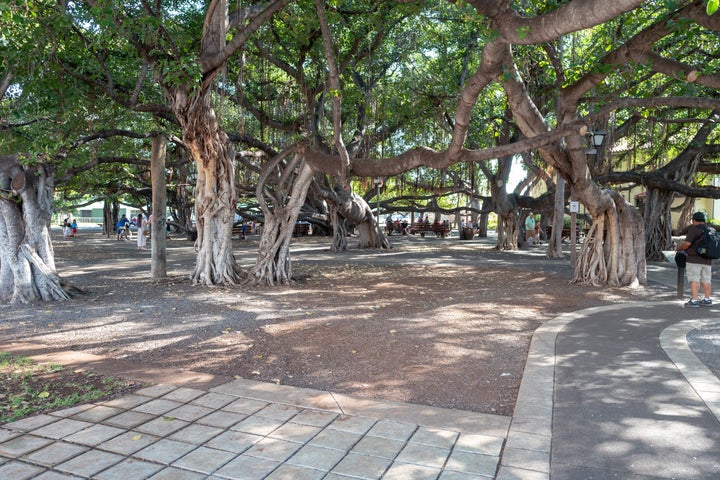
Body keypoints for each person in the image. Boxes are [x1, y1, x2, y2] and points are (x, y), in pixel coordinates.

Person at [676, 211, 713, 307]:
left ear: (694, 220)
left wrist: (678, 248)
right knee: (706, 279)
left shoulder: (694, 229)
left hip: (694, 259)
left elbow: (687, 244)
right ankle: (707, 299)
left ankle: (694, 300)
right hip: (707, 259)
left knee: (694, 279)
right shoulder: (709, 230)